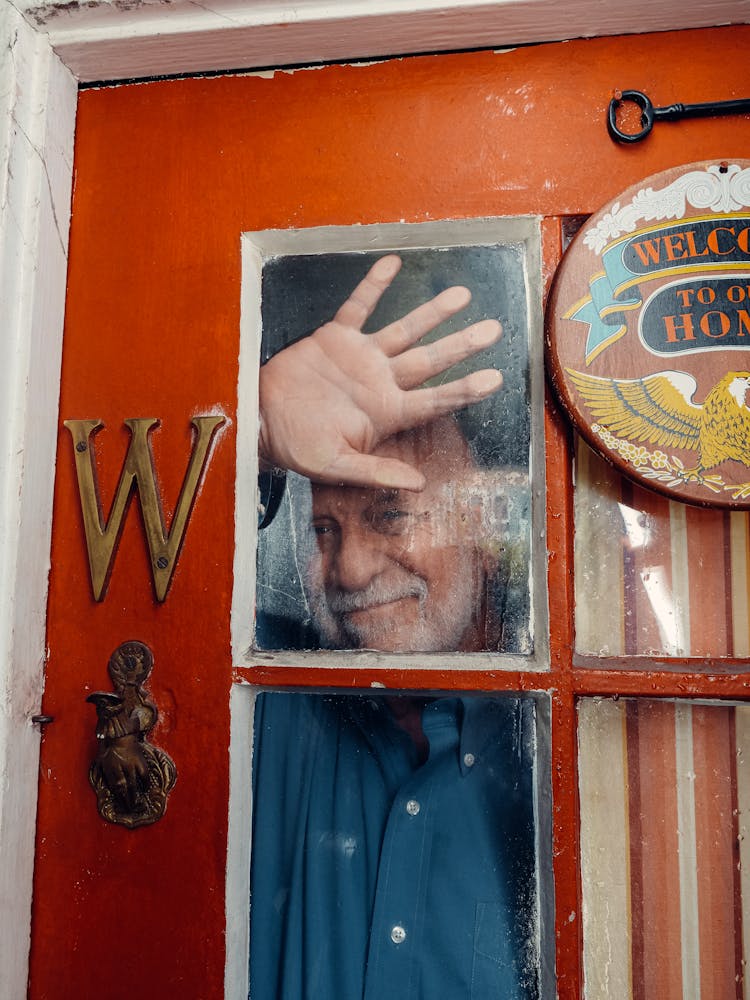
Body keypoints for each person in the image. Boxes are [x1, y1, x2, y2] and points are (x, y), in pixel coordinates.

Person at [248, 255, 540, 999]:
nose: (347, 572)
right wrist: (255, 427)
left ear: (480, 518)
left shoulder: (554, 748)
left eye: (390, 515)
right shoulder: (260, 709)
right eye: (321, 531)